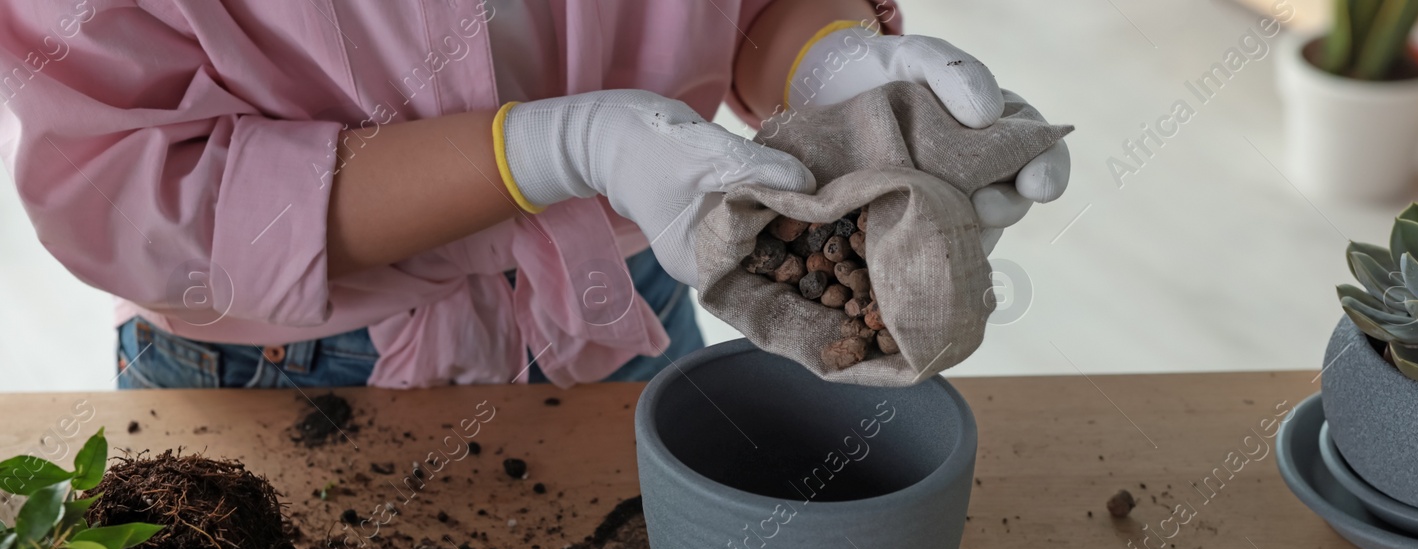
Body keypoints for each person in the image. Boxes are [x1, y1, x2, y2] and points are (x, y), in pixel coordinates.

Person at [0, 1, 1069, 390]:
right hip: (291, 366)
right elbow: (144, 193)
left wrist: (835, 68)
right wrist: (552, 149)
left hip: (627, 294)